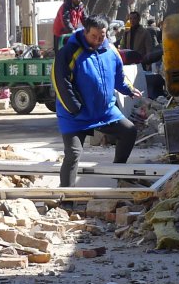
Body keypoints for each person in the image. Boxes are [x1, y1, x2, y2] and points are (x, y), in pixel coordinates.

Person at [53, 14, 141, 187]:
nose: (98, 40)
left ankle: (120, 173)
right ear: (85, 32)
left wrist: (128, 89)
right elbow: (61, 84)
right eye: (94, 36)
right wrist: (76, 109)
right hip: (75, 116)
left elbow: (118, 76)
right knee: (73, 154)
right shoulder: (69, 52)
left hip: (104, 111)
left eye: (102, 36)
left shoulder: (111, 50)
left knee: (129, 131)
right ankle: (67, 198)